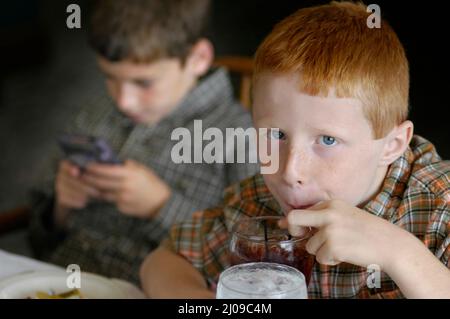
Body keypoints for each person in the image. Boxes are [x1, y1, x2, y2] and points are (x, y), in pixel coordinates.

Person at [140, 1, 450, 298]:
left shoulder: (440, 208)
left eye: (327, 140)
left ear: (391, 145)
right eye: (276, 134)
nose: (290, 172)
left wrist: (398, 252)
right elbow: (163, 262)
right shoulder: (257, 203)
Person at [28, 0, 258, 284]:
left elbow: (253, 266)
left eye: (144, 83)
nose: (124, 100)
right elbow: (38, 242)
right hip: (59, 279)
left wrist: (161, 206)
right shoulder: (96, 114)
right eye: (110, 77)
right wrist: (61, 208)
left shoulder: (241, 136)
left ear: (198, 58)